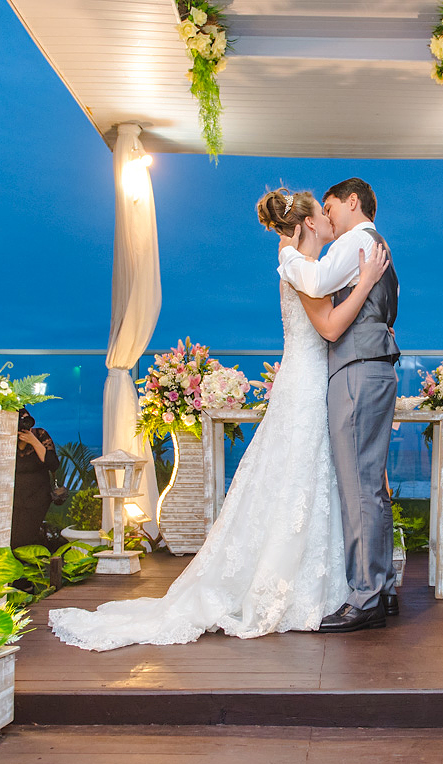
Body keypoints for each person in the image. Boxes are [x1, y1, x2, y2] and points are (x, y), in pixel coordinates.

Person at [48, 188, 390, 650]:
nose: (331, 220)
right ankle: (315, 585)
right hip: (309, 385)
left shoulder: (308, 265)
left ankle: (349, 585)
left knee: (315, 482)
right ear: (309, 223)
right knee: (304, 480)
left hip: (314, 383)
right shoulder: (299, 265)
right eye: (324, 213)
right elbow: (329, 326)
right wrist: (367, 279)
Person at [277, 177, 400, 633]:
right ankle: (382, 589)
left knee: (358, 486)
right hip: (373, 367)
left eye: (331, 207)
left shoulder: (356, 243)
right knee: (372, 485)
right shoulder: (374, 244)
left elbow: (317, 279)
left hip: (357, 370)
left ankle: (365, 596)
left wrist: (287, 253)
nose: (327, 216)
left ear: (352, 202)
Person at [11, 407, 60, 550]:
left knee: (25, 537)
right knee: (12, 537)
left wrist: (34, 442)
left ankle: (29, 566)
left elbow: (53, 464)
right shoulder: (7, 439)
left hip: (37, 497)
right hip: (14, 497)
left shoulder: (40, 434)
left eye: (26, 420)